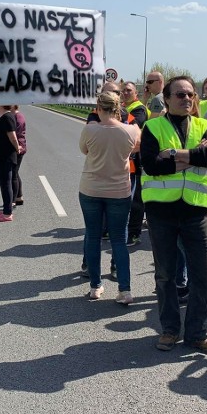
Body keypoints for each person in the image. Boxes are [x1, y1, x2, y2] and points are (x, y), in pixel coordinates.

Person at [140, 76, 207, 355]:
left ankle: (196, 333)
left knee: (203, 276)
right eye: (180, 95)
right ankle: (170, 330)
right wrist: (192, 156)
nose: (187, 99)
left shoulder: (205, 125)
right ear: (166, 99)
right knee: (165, 276)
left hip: (195, 212)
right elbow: (151, 165)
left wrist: (174, 154)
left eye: (190, 95)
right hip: (161, 212)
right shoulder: (152, 126)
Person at [78, 90, 141, 304]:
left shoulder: (90, 129)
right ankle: (125, 290)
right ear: (119, 107)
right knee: (119, 241)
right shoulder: (131, 130)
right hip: (119, 190)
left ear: (98, 107)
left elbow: (84, 150)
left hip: (91, 189)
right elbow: (137, 148)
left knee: (93, 237)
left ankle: (95, 286)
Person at [121, 81, 149, 246]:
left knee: (136, 201)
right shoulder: (126, 108)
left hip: (137, 161)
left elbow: (132, 128)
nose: (125, 93)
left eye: (128, 90)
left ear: (135, 93)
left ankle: (134, 233)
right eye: (123, 90)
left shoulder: (139, 109)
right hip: (124, 161)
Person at [0, 105, 21, 222]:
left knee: (6, 184)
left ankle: (7, 213)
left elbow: (13, 137)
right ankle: (6, 209)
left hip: (5, 156)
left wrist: (17, 148)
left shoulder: (7, 117)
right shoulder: (1, 116)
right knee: (3, 184)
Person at [12, 105, 27, 206]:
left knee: (14, 173)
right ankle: (18, 196)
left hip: (18, 148)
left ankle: (14, 198)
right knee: (15, 173)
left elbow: (14, 133)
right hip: (17, 147)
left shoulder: (18, 117)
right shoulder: (14, 116)